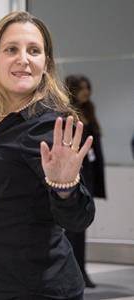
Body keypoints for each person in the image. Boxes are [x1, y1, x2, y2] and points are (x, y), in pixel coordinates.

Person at [0, 12, 95, 299]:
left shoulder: (47, 125)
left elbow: (78, 218)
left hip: (34, 288)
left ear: (46, 63)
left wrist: (65, 188)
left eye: (34, 51)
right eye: (12, 49)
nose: (24, 59)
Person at [65, 74, 106, 288]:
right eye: (82, 88)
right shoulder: (66, 114)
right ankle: (76, 271)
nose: (86, 92)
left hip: (89, 174)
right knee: (74, 229)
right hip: (75, 175)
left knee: (81, 227)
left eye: (87, 87)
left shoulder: (89, 111)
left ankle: (81, 270)